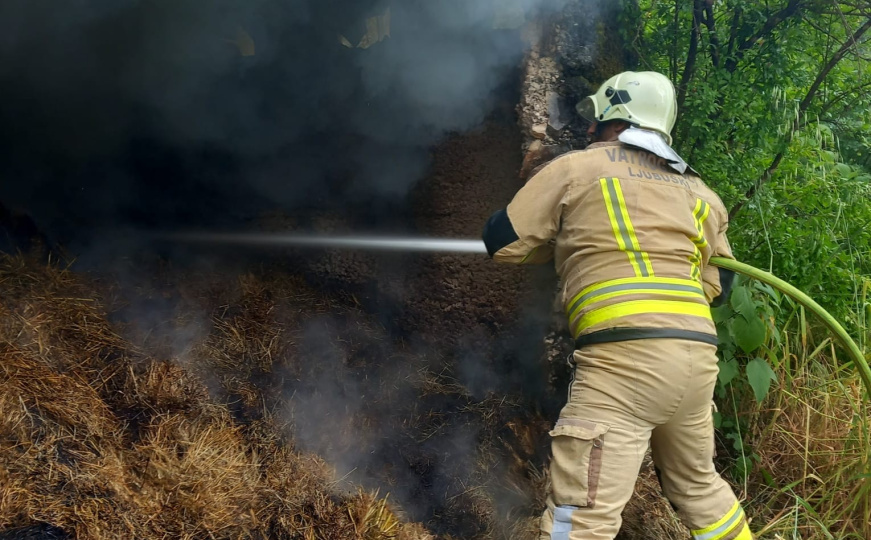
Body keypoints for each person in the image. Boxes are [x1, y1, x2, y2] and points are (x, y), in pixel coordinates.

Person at [482, 71, 753, 540]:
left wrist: (564, 238)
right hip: (694, 363)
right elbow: (721, 282)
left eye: (598, 119)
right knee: (698, 486)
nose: (589, 130)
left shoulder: (578, 169)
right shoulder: (701, 194)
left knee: (581, 514)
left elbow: (503, 243)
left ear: (617, 120)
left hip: (623, 365)